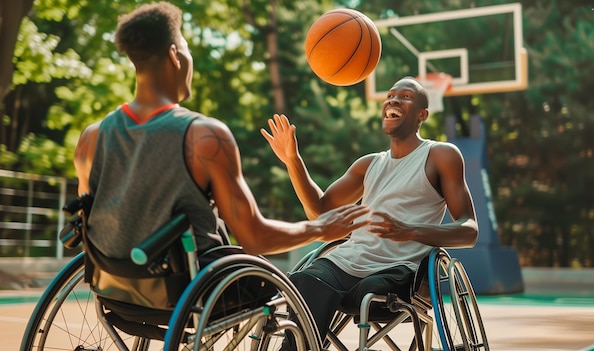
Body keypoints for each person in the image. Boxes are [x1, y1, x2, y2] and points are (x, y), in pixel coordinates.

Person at [73, 1, 371, 299]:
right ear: (175, 56)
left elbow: (93, 222)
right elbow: (254, 238)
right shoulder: (204, 137)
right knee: (287, 291)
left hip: (113, 287)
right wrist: (318, 229)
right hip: (187, 290)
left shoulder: (91, 138)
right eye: (187, 49)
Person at [261, 76, 479, 345]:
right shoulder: (369, 164)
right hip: (347, 261)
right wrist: (293, 161)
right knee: (304, 281)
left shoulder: (441, 155)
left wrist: (409, 231)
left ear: (422, 115)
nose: (393, 99)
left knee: (367, 292)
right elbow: (319, 211)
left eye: (406, 96)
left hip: (400, 269)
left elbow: (469, 230)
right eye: (390, 95)